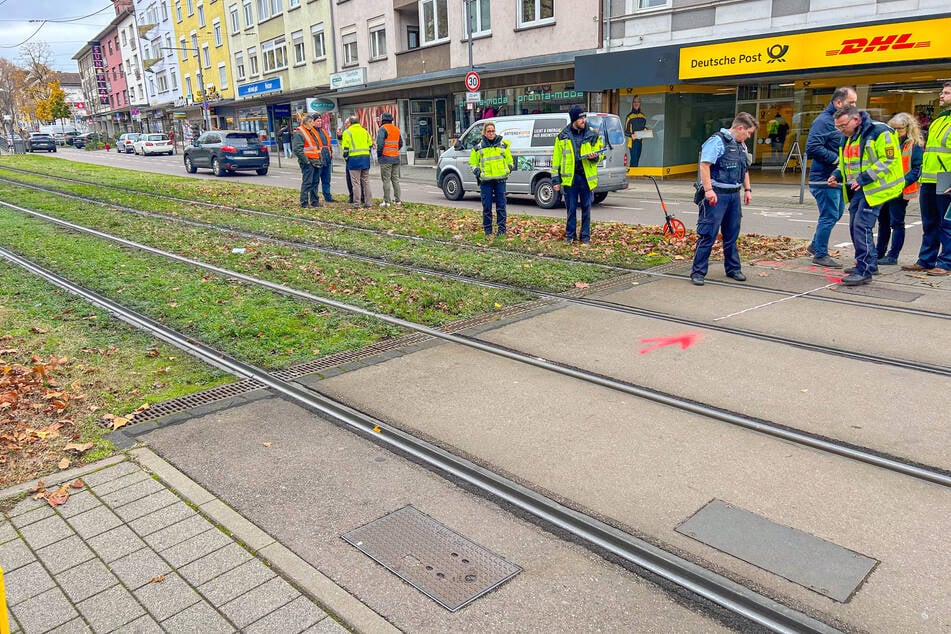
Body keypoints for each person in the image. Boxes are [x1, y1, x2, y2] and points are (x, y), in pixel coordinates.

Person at [827, 105, 904, 286]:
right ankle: (867, 263)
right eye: (838, 126)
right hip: (859, 188)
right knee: (856, 226)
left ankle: (865, 270)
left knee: (861, 226)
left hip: (876, 188)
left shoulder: (880, 131)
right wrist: (837, 175)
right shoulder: (848, 136)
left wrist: (864, 178)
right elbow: (848, 162)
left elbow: (888, 160)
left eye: (843, 125)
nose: (841, 129)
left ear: (856, 119)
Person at [690, 112, 757, 286]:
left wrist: (747, 189)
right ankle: (698, 272)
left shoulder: (741, 146)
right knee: (708, 234)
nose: (749, 137)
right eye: (748, 133)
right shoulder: (717, 141)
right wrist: (709, 190)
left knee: (731, 234)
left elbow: (745, 169)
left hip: (733, 194)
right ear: (740, 128)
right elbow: (705, 165)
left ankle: (733, 269)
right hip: (716, 194)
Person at [805, 86, 858, 268]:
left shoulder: (836, 120)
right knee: (829, 214)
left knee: (835, 213)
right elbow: (812, 147)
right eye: (851, 102)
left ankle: (815, 245)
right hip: (824, 178)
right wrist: (837, 161)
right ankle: (820, 254)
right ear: (838, 102)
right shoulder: (824, 121)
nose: (854, 106)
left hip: (835, 177)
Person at [902, 81, 951, 276]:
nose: (941, 95)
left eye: (946, 92)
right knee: (929, 222)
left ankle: (946, 262)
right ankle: (926, 260)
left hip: (946, 178)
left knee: (946, 224)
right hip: (930, 178)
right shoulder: (939, 119)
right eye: (942, 91)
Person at [553, 105, 604, 245]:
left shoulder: (592, 134)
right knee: (571, 210)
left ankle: (585, 237)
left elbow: (601, 154)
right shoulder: (562, 136)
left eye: (584, 117)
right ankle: (570, 236)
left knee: (587, 209)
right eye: (581, 117)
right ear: (574, 119)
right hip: (570, 179)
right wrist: (555, 180)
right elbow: (556, 160)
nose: (583, 120)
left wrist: (594, 157)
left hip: (586, 178)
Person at [876, 113, 923, 265]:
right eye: (893, 129)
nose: (895, 132)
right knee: (883, 222)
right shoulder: (888, 142)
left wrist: (902, 182)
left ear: (907, 128)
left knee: (896, 222)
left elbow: (916, 169)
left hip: (900, 190)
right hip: (885, 189)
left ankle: (893, 255)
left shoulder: (913, 145)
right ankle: (879, 252)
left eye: (899, 129)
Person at [469, 121, 514, 237]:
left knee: (501, 206)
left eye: (493, 131)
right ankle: (488, 231)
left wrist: (508, 169)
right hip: (486, 181)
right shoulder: (478, 148)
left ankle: (501, 231)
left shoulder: (503, 145)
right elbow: (473, 163)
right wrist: (477, 172)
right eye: (489, 131)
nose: (491, 133)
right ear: (484, 132)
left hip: (500, 180)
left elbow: (510, 160)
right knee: (487, 207)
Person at [291, 114, 324, 208]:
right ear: (307, 123)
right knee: (307, 182)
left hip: (316, 160)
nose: (313, 124)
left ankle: (314, 201)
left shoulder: (311, 131)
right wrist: (306, 161)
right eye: (312, 122)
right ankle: (304, 202)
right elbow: (297, 149)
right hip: (308, 161)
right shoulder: (300, 133)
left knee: (315, 181)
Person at [341, 115, 373, 209]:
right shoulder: (365, 131)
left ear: (350, 123)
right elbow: (370, 144)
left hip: (354, 159)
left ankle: (357, 203)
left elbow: (345, 148)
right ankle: (368, 203)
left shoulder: (347, 132)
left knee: (356, 183)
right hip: (365, 158)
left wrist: (346, 157)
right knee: (366, 181)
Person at [376, 112, 403, 207]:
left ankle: (387, 201)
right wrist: (394, 150)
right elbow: (400, 144)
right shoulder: (396, 129)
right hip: (395, 157)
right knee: (395, 179)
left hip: (385, 158)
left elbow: (380, 144)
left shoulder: (382, 129)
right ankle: (398, 200)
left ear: (382, 120)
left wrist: (379, 155)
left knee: (386, 180)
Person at [311, 115, 334, 203]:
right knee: (315, 180)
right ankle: (314, 198)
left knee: (326, 180)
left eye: (320, 121)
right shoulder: (311, 132)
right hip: (318, 159)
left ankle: (328, 197)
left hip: (327, 158)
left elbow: (328, 145)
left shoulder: (324, 131)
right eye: (317, 121)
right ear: (313, 122)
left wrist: (330, 154)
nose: (320, 123)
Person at [624, 95, 647, 167]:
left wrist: (646, 129)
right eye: (634, 102)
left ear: (640, 104)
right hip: (632, 142)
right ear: (632, 103)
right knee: (634, 160)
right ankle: (632, 176)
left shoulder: (643, 116)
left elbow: (643, 128)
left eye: (638, 102)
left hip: (640, 141)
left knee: (637, 159)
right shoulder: (629, 116)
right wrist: (631, 135)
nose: (636, 103)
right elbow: (625, 131)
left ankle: (634, 175)